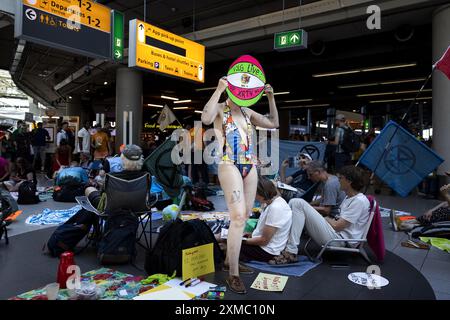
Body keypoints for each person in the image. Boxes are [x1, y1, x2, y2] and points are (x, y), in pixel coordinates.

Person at [201, 76, 279, 294]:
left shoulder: (247, 112)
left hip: (249, 165)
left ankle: (229, 260)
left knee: (244, 216)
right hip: (229, 164)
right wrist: (218, 89)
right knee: (237, 216)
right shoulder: (219, 108)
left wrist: (271, 97)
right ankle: (232, 273)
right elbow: (205, 118)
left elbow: (274, 123)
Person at [285, 165, 370, 260]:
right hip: (336, 234)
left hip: (341, 241)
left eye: (341, 178)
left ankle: (290, 251)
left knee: (297, 202)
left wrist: (325, 218)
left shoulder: (359, 201)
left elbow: (338, 226)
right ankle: (288, 248)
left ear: (349, 181)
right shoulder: (349, 197)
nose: (338, 181)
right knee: (295, 202)